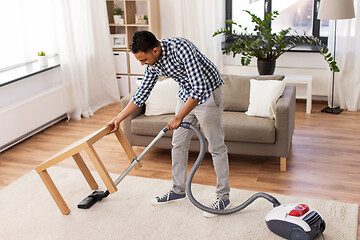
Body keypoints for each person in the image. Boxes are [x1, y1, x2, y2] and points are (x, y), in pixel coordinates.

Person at [107, 30, 230, 217]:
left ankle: (223, 197)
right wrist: (118, 118)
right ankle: (178, 190)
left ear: (155, 50)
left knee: (216, 147)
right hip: (186, 94)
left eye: (144, 59)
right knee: (178, 143)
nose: (142, 64)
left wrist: (179, 116)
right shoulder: (152, 64)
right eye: (139, 61)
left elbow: (199, 88)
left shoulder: (181, 48)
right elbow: (141, 95)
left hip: (208, 93)